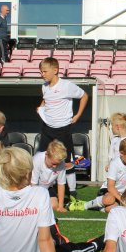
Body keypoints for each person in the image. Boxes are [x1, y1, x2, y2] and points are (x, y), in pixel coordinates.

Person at [37, 57, 88, 190]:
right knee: (42, 157)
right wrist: (41, 107)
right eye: (41, 72)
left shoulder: (66, 86)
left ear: (55, 70)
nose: (42, 74)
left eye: (44, 71)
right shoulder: (44, 86)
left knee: (67, 161)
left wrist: (78, 115)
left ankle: (72, 193)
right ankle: (44, 188)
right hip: (47, 128)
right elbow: (46, 99)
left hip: (63, 129)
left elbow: (84, 96)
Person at [81, 138, 126, 212]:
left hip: (124, 194)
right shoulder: (115, 163)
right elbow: (110, 187)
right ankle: (84, 205)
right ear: (121, 153)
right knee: (109, 199)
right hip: (109, 191)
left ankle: (100, 208)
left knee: (114, 209)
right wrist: (123, 200)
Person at [31, 140, 69, 213]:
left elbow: (61, 184)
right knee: (36, 207)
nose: (55, 166)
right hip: (32, 188)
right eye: (53, 163)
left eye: (57, 164)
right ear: (46, 155)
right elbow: (33, 184)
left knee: (54, 206)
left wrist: (61, 206)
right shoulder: (37, 159)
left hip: (47, 188)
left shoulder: (61, 163)